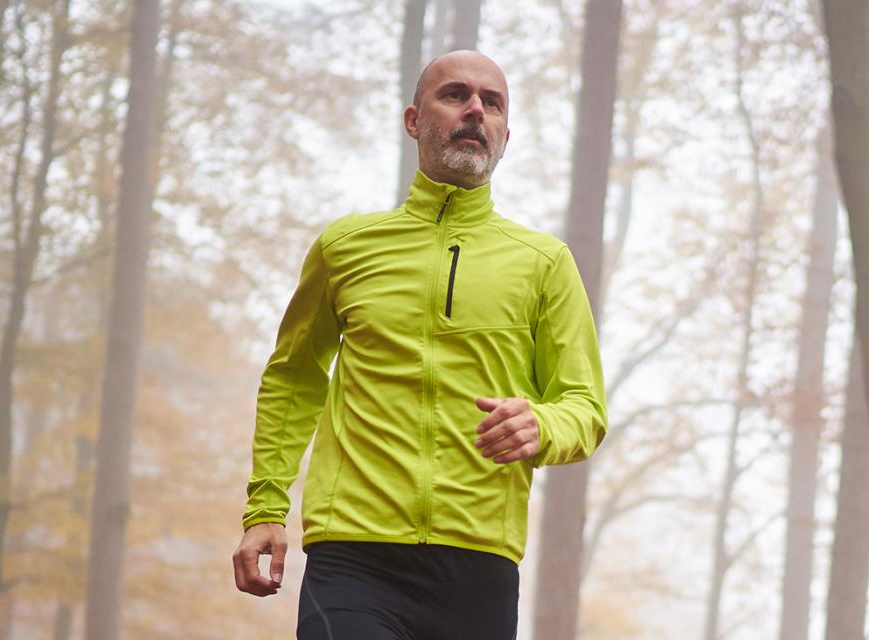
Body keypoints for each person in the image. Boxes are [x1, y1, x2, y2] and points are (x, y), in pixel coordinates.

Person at [230, 50, 608, 640]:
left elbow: (585, 406)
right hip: (354, 554)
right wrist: (265, 508)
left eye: (493, 103)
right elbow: (294, 376)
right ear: (413, 120)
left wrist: (543, 425)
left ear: (507, 135)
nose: (476, 110)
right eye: (456, 94)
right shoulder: (345, 248)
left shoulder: (544, 265)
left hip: (478, 565)